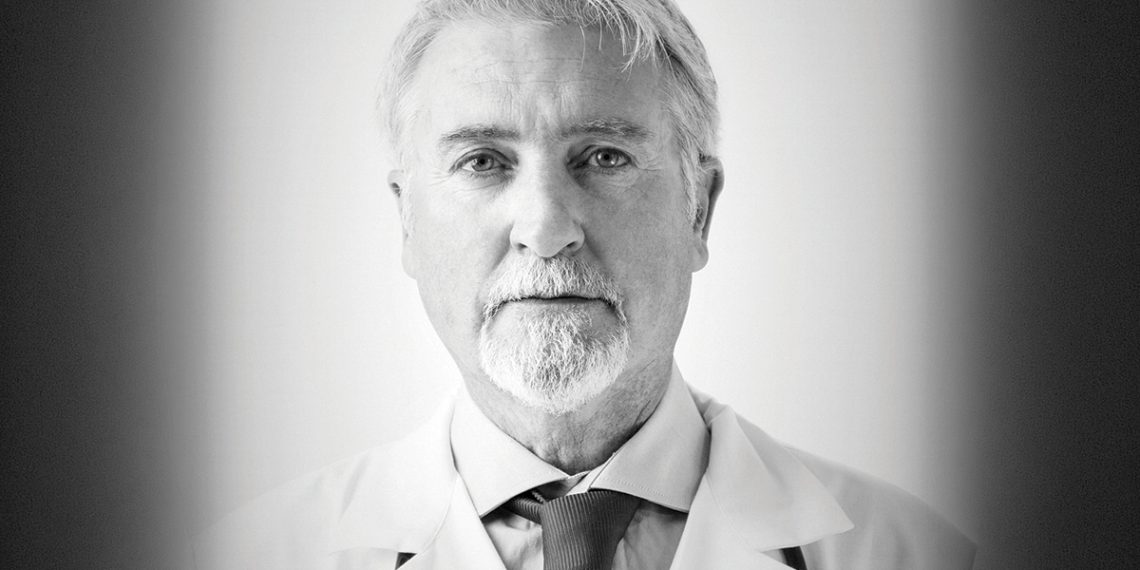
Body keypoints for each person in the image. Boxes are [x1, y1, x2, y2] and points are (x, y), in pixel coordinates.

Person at [194, 0, 975, 568]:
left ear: (697, 208)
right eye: (482, 162)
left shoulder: (910, 554)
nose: (545, 226)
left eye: (602, 156)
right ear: (406, 223)